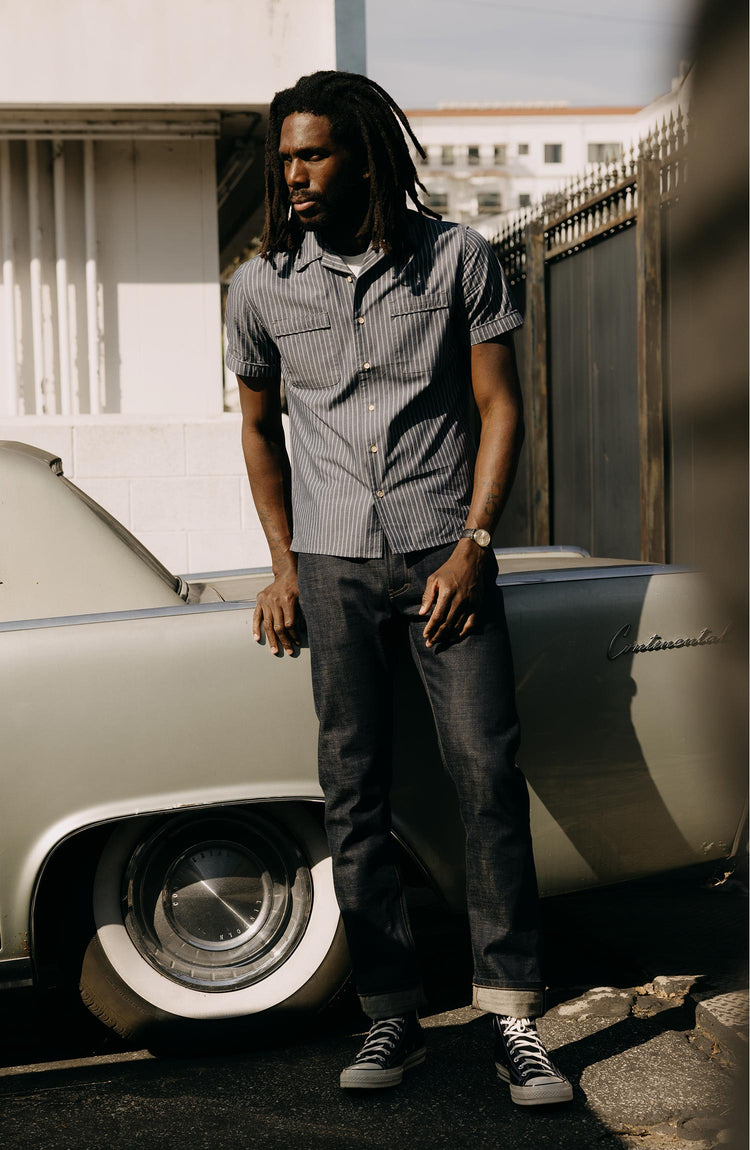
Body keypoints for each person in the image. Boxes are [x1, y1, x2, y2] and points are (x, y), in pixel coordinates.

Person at [225, 69, 572, 1106]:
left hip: (441, 556)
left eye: (313, 154)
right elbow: (256, 428)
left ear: (363, 156)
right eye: (285, 157)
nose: (293, 175)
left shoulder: (457, 259)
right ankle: (392, 1018)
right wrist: (283, 565)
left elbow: (501, 404)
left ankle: (512, 1016)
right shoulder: (259, 286)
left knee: (485, 776)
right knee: (352, 795)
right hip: (332, 567)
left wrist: (475, 541)